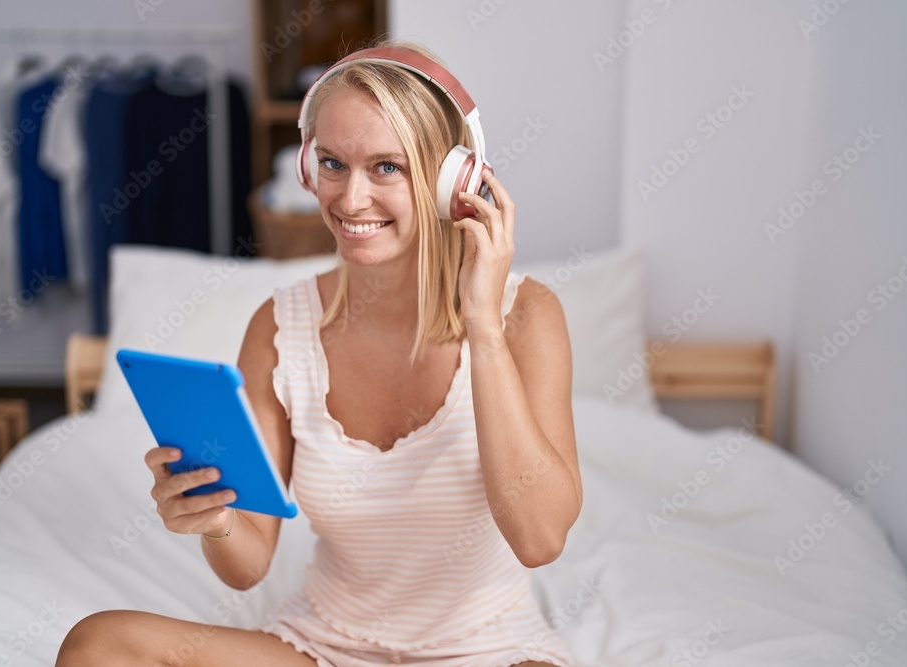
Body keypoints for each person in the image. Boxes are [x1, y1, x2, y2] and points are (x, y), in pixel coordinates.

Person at [56, 38, 582, 667]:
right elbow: (248, 567)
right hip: (321, 648)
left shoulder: (525, 315)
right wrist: (214, 518)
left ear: (454, 180)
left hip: (487, 651)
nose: (350, 199)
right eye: (332, 163)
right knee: (100, 644)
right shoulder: (279, 328)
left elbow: (540, 538)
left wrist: (481, 326)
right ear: (307, 167)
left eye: (387, 167)